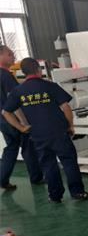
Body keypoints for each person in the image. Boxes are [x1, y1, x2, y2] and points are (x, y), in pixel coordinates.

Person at [2, 58, 88, 203]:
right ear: (38, 70)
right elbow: (65, 107)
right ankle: (78, 192)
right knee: (69, 161)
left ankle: (55, 196)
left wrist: (21, 127)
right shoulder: (50, 86)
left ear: (23, 72)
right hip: (58, 132)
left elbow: (6, 112)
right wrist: (70, 125)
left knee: (48, 164)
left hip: (38, 135)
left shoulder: (18, 91)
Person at [0, 46, 43, 190]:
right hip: (13, 119)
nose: (13, 56)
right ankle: (36, 178)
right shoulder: (6, 76)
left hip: (2, 120)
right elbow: (14, 102)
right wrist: (23, 123)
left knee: (11, 147)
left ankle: (3, 179)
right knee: (28, 147)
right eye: (9, 54)